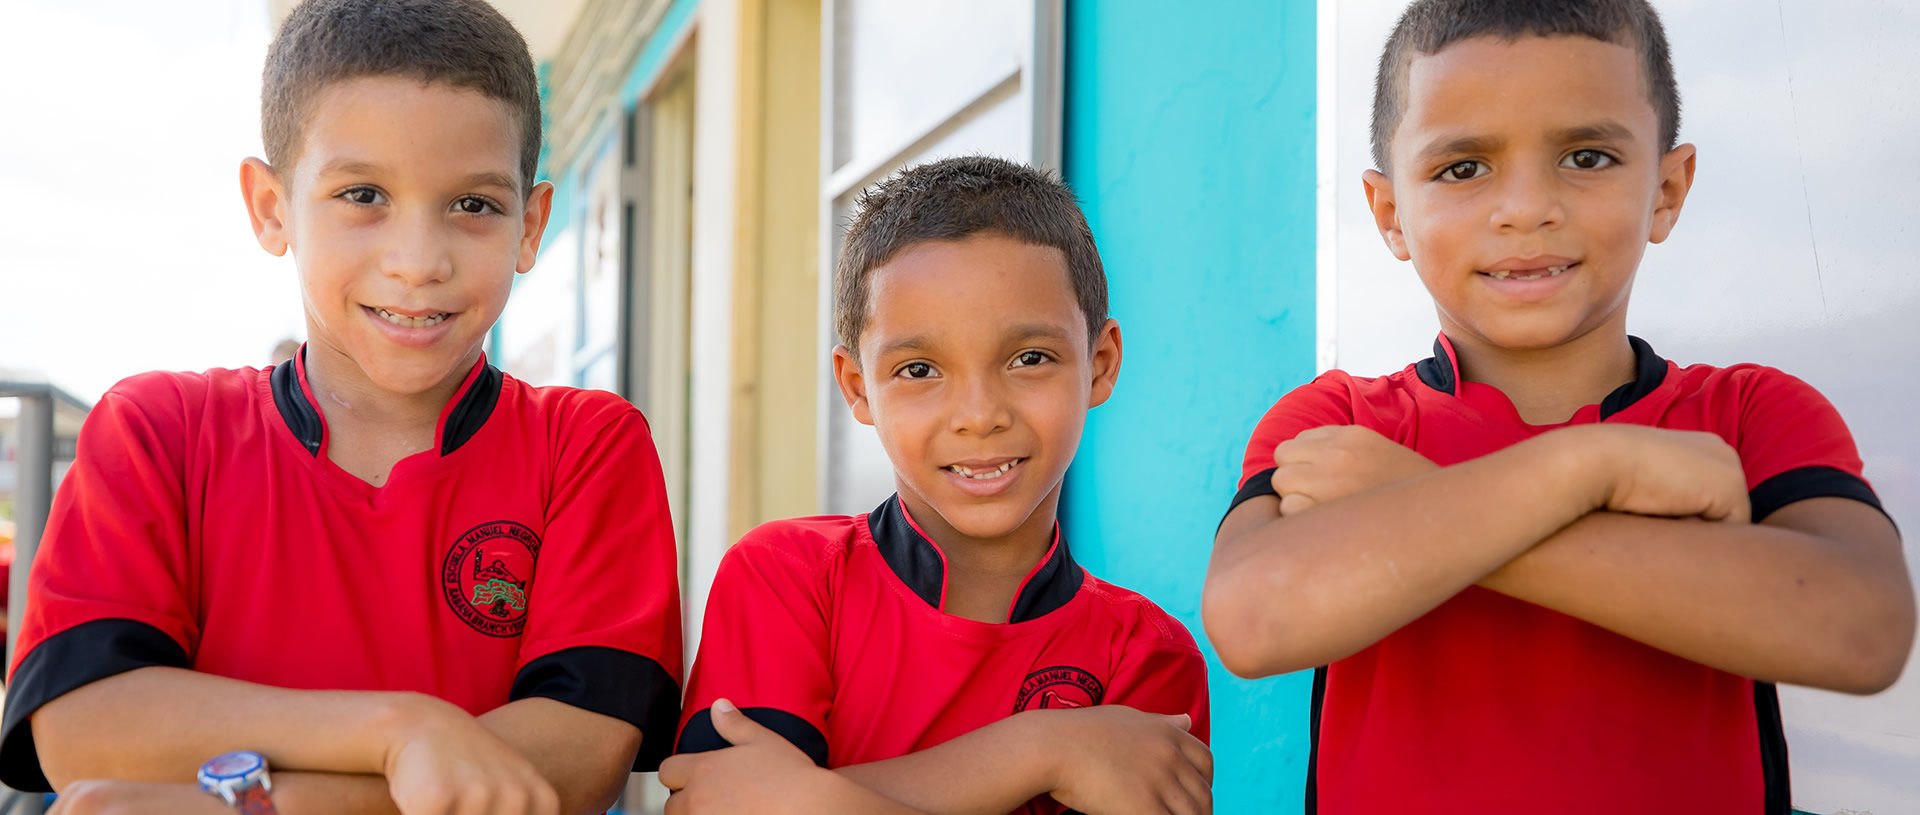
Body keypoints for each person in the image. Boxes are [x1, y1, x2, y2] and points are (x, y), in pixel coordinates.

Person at [1203, 1, 1915, 813]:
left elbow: (1863, 630)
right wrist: (1585, 468)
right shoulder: (1340, 421)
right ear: (1389, 213)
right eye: (1463, 168)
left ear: (1667, 189)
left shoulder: (1750, 413)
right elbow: (1249, 620)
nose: (1527, 207)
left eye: (1586, 154)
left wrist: (1418, 503)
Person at [0, 1, 683, 812]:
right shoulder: (158, 432)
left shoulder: (584, 445)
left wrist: (251, 802)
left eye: (473, 205)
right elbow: (81, 726)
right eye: (364, 193)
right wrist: (400, 731)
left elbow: (576, 759)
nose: (418, 261)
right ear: (271, 207)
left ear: (530, 225)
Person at [662, 156, 1212, 815]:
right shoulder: (788, 578)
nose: (979, 414)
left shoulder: (1146, 655)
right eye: (920, 369)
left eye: (1029, 358)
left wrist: (809, 797)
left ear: (1100, 364)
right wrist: (1044, 749)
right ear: (857, 385)